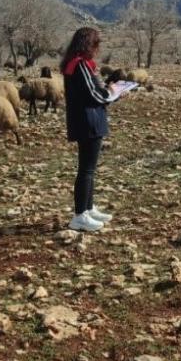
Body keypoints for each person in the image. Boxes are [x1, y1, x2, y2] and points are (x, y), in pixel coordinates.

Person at [60, 27, 125, 232]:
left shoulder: (77, 64)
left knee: (89, 169)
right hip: (88, 121)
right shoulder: (80, 65)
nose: (98, 49)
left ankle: (88, 208)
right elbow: (93, 95)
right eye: (96, 45)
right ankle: (80, 215)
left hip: (86, 119)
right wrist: (112, 93)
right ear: (88, 45)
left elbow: (92, 91)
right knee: (86, 170)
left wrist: (109, 92)